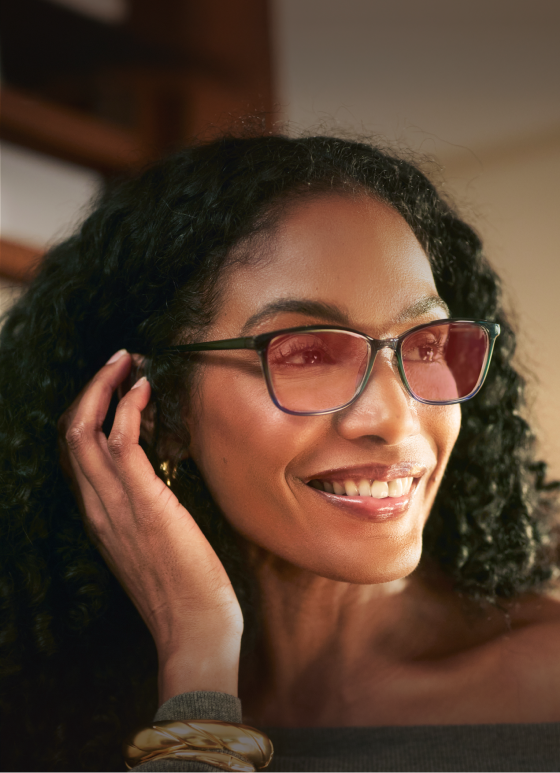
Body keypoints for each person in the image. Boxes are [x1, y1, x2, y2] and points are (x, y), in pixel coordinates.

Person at [1, 134, 559, 773]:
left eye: (425, 345)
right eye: (308, 352)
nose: (395, 417)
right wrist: (198, 654)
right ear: (158, 410)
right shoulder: (63, 712)